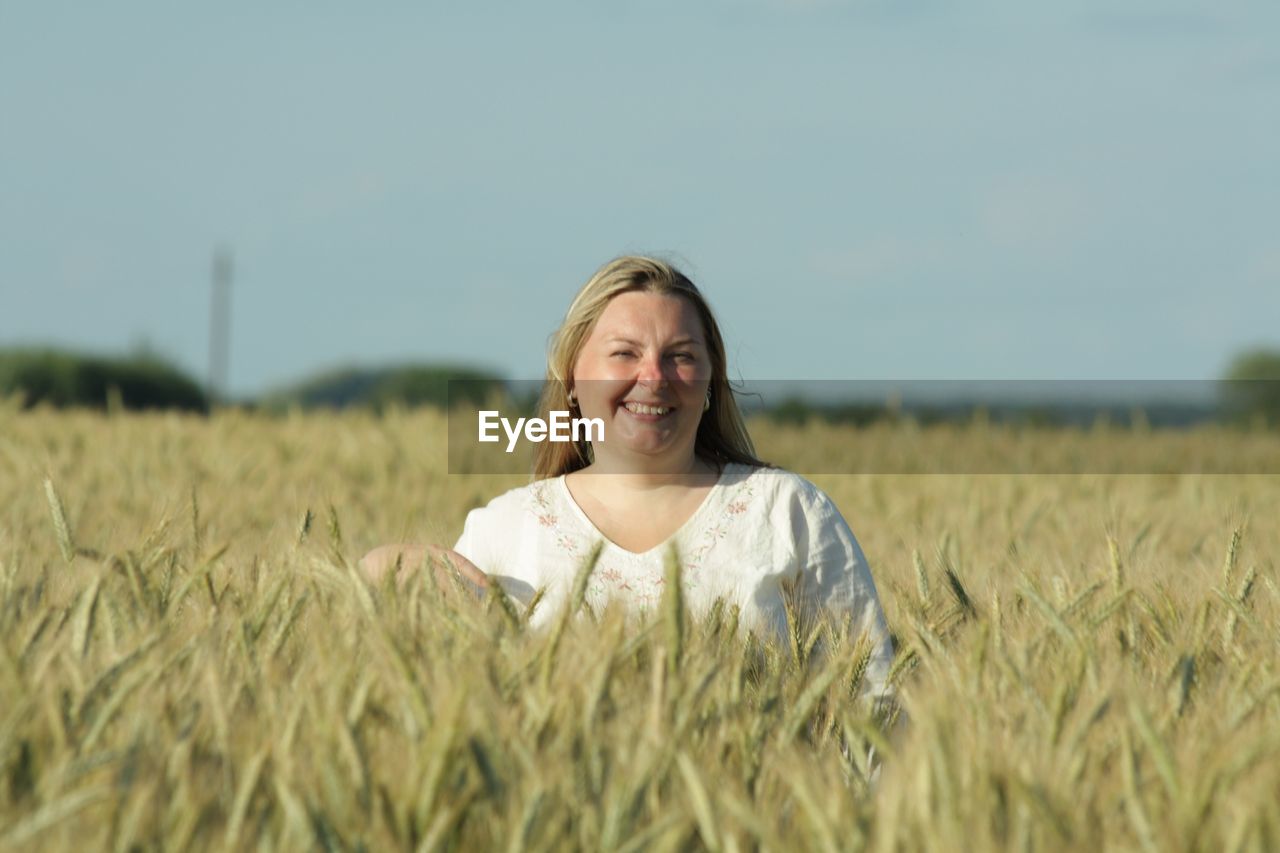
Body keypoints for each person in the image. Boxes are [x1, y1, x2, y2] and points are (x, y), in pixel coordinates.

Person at [361, 255, 894, 704]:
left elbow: (872, 702)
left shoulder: (786, 513)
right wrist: (377, 572)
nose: (654, 378)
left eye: (680, 357)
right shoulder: (503, 529)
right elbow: (447, 699)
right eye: (624, 354)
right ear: (573, 376)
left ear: (710, 380)